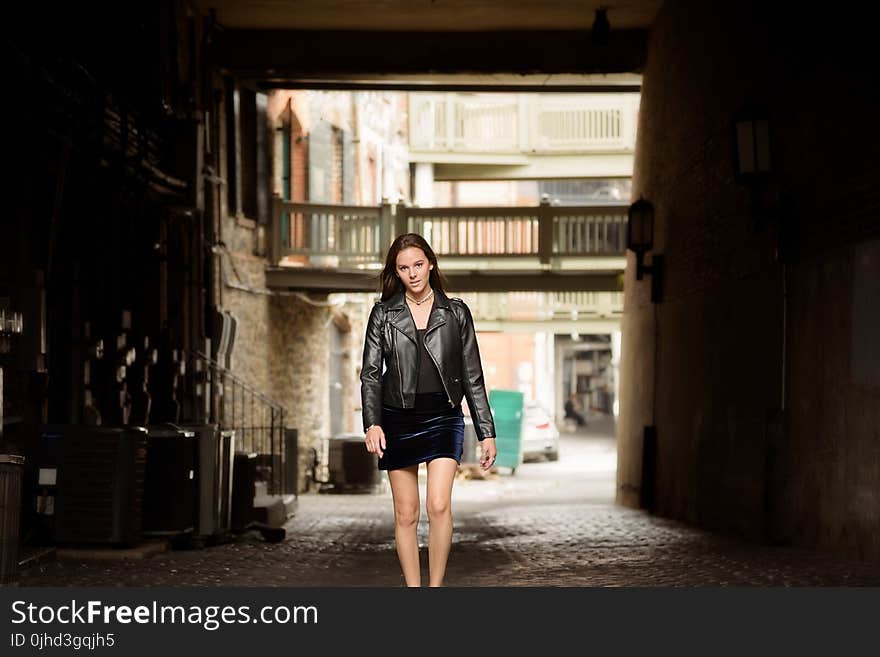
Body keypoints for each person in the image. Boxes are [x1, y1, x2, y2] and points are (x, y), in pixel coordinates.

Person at [360, 233, 497, 587]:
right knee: (406, 513)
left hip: (444, 417)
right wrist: (372, 423)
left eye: (418, 265)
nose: (413, 273)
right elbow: (371, 375)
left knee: (438, 505)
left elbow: (473, 376)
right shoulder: (383, 314)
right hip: (397, 419)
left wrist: (487, 432)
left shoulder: (455, 313)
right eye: (404, 268)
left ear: (431, 264)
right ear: (397, 272)